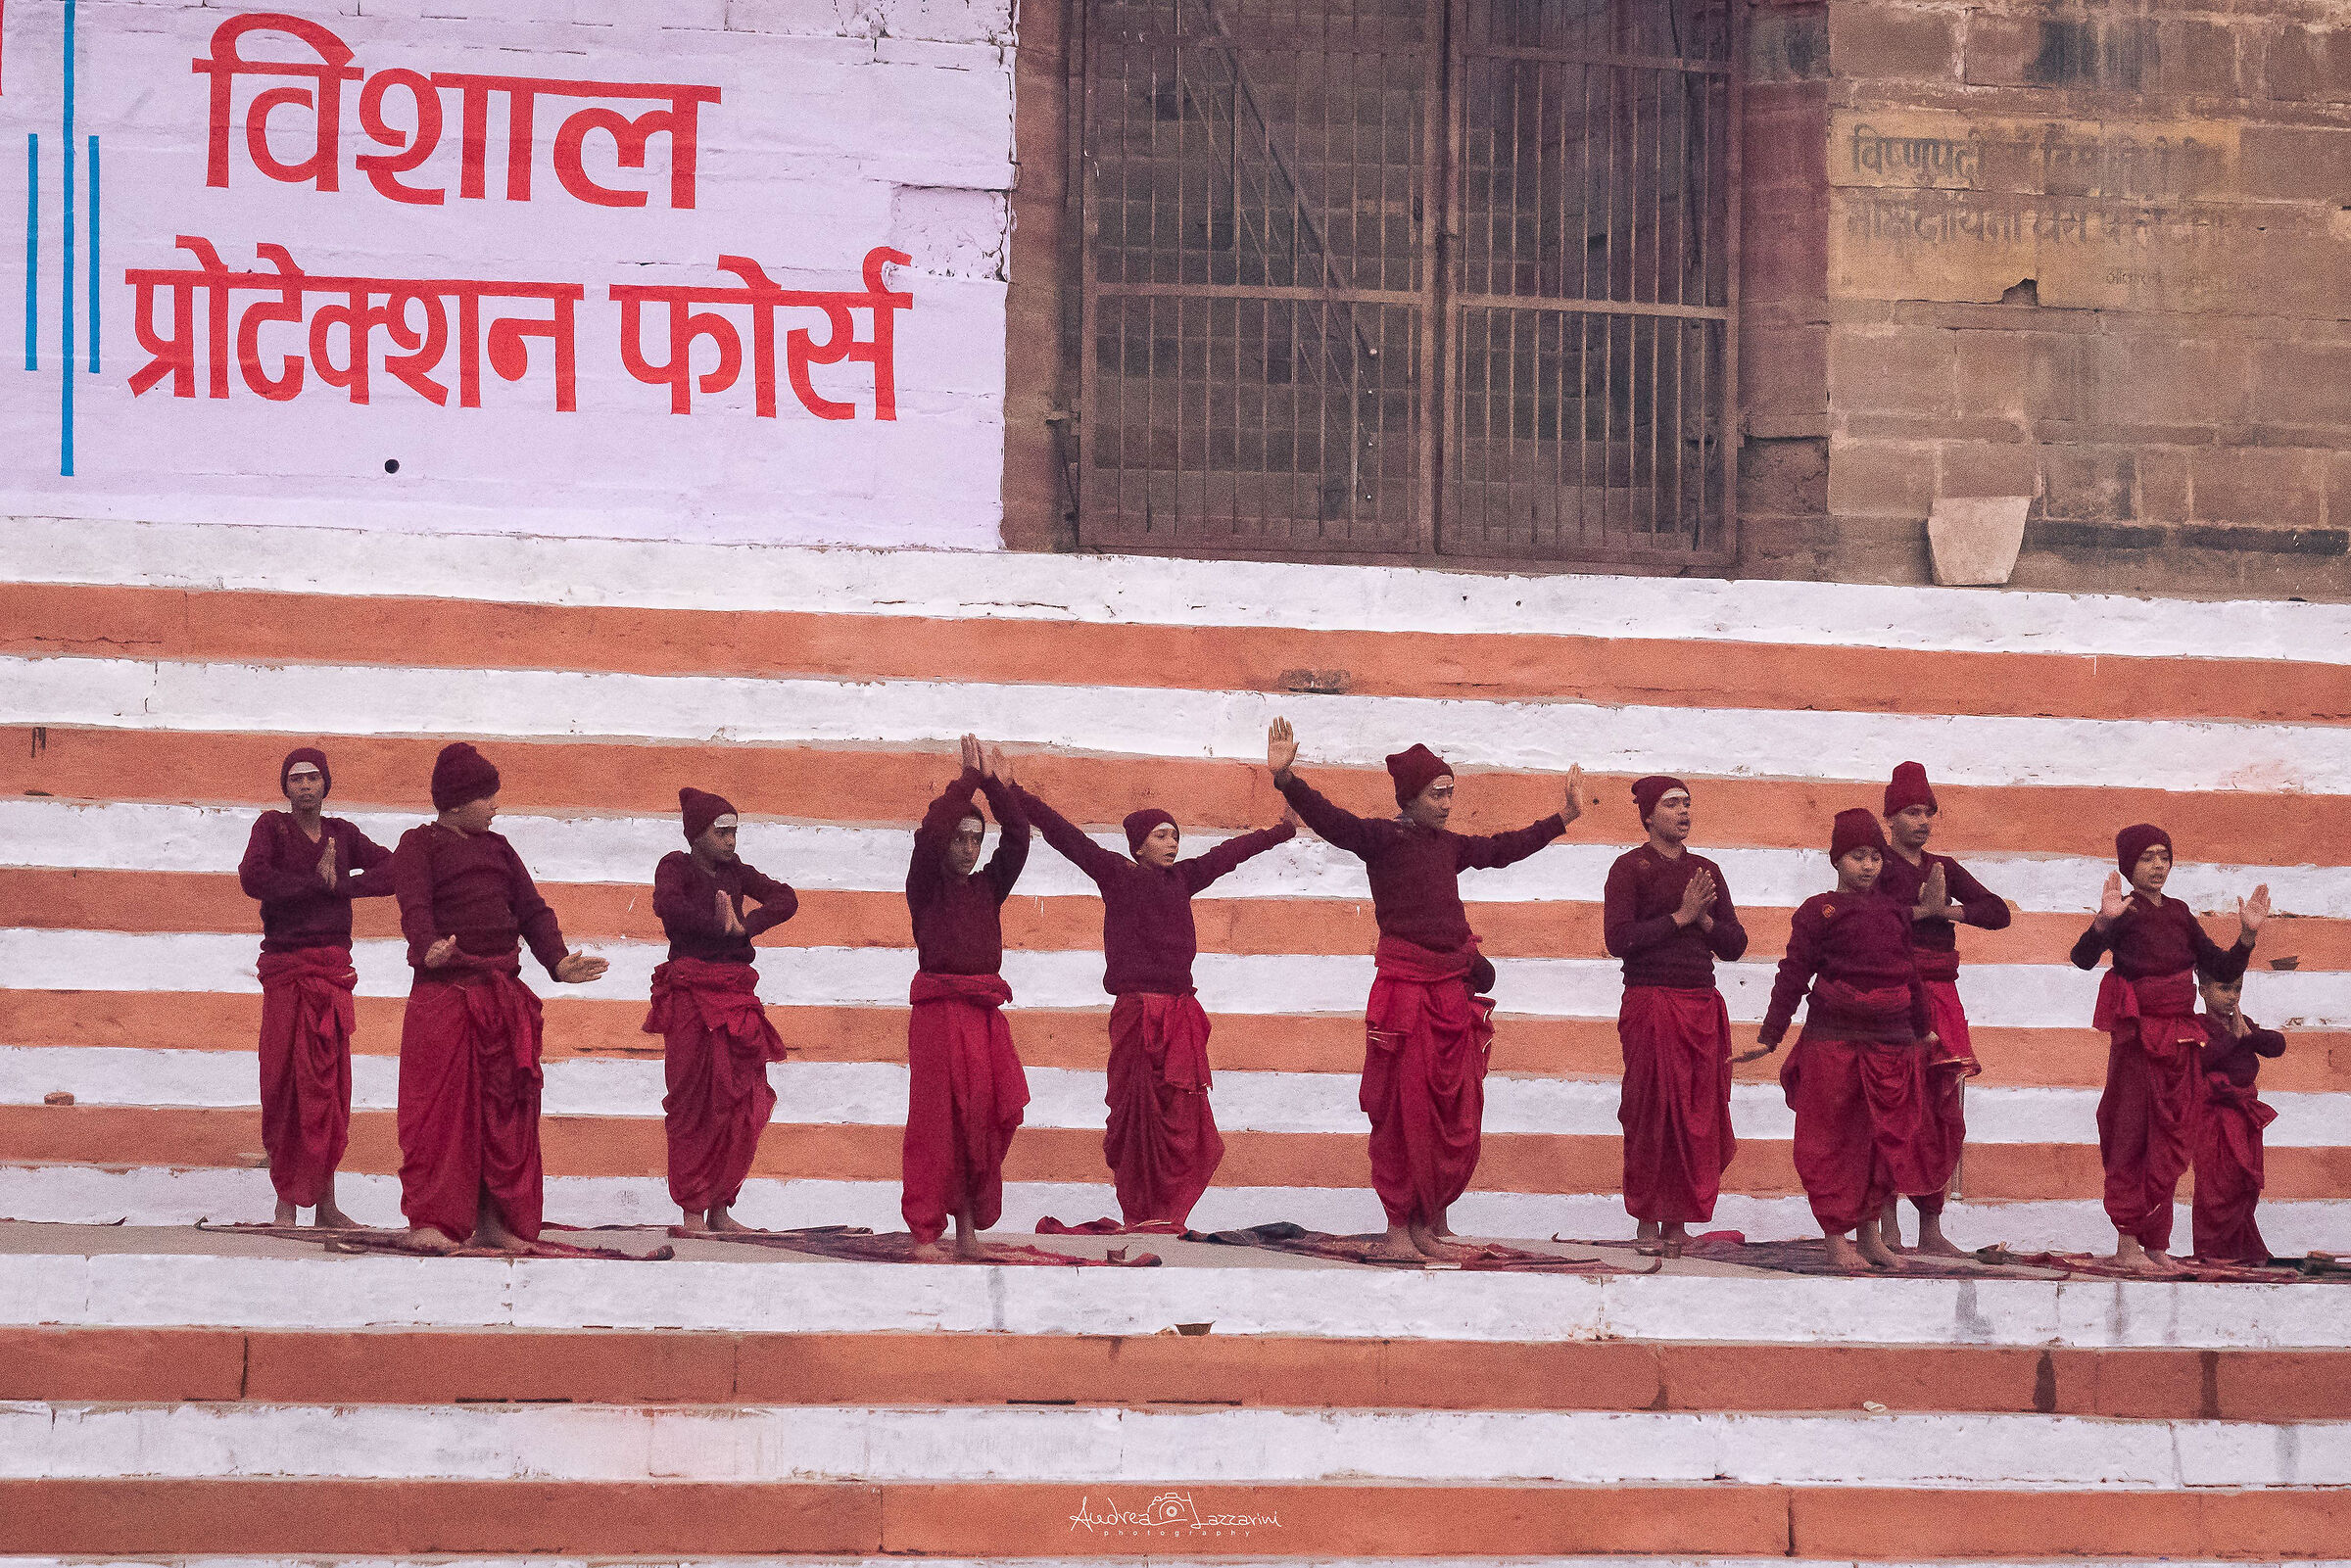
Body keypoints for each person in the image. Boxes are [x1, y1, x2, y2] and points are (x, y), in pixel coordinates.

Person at [1266, 717, 1583, 1260]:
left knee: (1448, 1110)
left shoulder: (1449, 846)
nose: (1447, 803)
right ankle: (1397, 1231)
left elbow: (1504, 847)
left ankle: (1431, 1221)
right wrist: (1286, 779)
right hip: (1405, 994)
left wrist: (1563, 817)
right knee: (1400, 1112)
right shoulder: (1380, 838)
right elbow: (1332, 820)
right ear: (1410, 797)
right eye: (1438, 793)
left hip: (1448, 994)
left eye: (1451, 793)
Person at [1015, 781, 1297, 1228]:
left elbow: (1228, 854)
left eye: (1176, 835)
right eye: (1162, 836)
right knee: (1136, 1119)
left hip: (1180, 1017)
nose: (1173, 843)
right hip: (1137, 1016)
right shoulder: (1116, 874)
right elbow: (1065, 835)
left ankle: (1170, 1213)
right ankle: (1142, 1212)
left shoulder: (1183, 878)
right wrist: (1012, 790)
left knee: (1184, 1121)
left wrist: (1280, 832)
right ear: (1139, 846)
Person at [390, 742, 607, 1254]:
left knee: (502, 1119)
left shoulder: (500, 849)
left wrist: (557, 962)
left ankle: (494, 1223)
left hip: (501, 998)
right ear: (458, 801)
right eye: (488, 797)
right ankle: (433, 1223)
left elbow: (532, 910)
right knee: (440, 1118)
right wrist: (428, 950)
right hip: (445, 1000)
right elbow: (414, 905)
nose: (495, 807)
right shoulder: (418, 845)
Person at [2072, 824, 2267, 1273]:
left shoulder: (2179, 913)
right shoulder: (2122, 912)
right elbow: (2081, 958)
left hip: (2182, 1043)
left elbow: (2218, 966)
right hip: (2140, 1041)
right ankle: (2126, 1245)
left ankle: (2155, 1244)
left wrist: (2247, 935)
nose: (2159, 866)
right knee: (2132, 1135)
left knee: (2172, 1139)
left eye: (2164, 856)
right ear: (2129, 865)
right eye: (2147, 858)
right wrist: (2102, 922)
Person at [1755, 808, 1939, 1272]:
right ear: (1836, 860)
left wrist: (1922, 1028)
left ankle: (1870, 1237)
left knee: (1882, 1141)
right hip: (1833, 1041)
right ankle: (1837, 1239)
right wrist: (1771, 1034)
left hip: (1891, 1042)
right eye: (1857, 856)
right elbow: (1793, 973)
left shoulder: (1895, 912)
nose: (1868, 866)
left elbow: (1910, 974)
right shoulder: (1818, 911)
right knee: (1832, 1141)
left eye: (1874, 857)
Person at [237, 746, 393, 1228]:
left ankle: (327, 1206)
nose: (305, 786)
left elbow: (395, 868)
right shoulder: (271, 829)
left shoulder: (343, 835)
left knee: (328, 1090)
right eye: (296, 779)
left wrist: (342, 885)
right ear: (285, 788)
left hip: (330, 973)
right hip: (286, 971)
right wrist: (314, 881)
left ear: (326, 784)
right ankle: (285, 1206)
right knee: (284, 1085)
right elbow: (253, 877)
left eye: (313, 778)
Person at [1603, 776, 1747, 1258]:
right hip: (1652, 1001)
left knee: (1694, 1116)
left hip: (1701, 1003)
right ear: (1648, 815)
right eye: (1671, 804)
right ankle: (1647, 1224)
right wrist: (1681, 918)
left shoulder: (1706, 869)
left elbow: (1735, 945)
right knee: (1651, 1112)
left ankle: (1678, 1224)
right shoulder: (1629, 868)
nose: (1683, 812)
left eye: (1687, 803)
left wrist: (1703, 919)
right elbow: (1618, 939)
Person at [1873, 761, 2011, 1258]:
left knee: (1941, 1110)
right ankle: (1885, 1226)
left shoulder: (1944, 869)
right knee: (1890, 1107)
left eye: (1928, 812)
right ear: (1891, 817)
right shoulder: (1876, 865)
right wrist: (1916, 914)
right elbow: (1863, 920)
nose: (1923, 821)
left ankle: (1930, 1228)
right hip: (1891, 999)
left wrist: (1948, 911)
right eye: (1912, 812)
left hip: (1943, 998)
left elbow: (1998, 912)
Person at [901, 736, 1032, 1259]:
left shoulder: (987, 887)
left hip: (983, 1016)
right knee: (937, 1123)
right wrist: (967, 780)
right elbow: (932, 829)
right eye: (960, 839)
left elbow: (1019, 838)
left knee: (981, 1123)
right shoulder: (925, 887)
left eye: (976, 840)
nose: (968, 849)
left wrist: (998, 787)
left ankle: (968, 1232)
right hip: (938, 1013)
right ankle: (924, 1233)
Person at [647, 787, 797, 1234]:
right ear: (696, 834)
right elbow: (667, 906)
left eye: (735, 831)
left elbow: (785, 898)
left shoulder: (737, 870)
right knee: (694, 1101)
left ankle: (720, 1209)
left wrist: (745, 926)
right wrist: (719, 925)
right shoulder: (675, 866)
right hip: (693, 995)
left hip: (735, 995)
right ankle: (693, 1211)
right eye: (722, 831)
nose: (731, 841)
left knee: (740, 1102)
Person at [2189, 969, 2286, 1264]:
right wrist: (2234, 1039)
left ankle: (2239, 1250)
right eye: (2224, 988)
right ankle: (2213, 1250)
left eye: (2237, 989)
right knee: (2217, 1186)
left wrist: (2250, 1034)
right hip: (2214, 1117)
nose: (2232, 996)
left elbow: (2277, 1045)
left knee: (2243, 1184)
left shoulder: (2243, 1025)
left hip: (2244, 1116)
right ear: (2203, 991)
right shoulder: (2196, 1026)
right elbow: (2201, 1060)